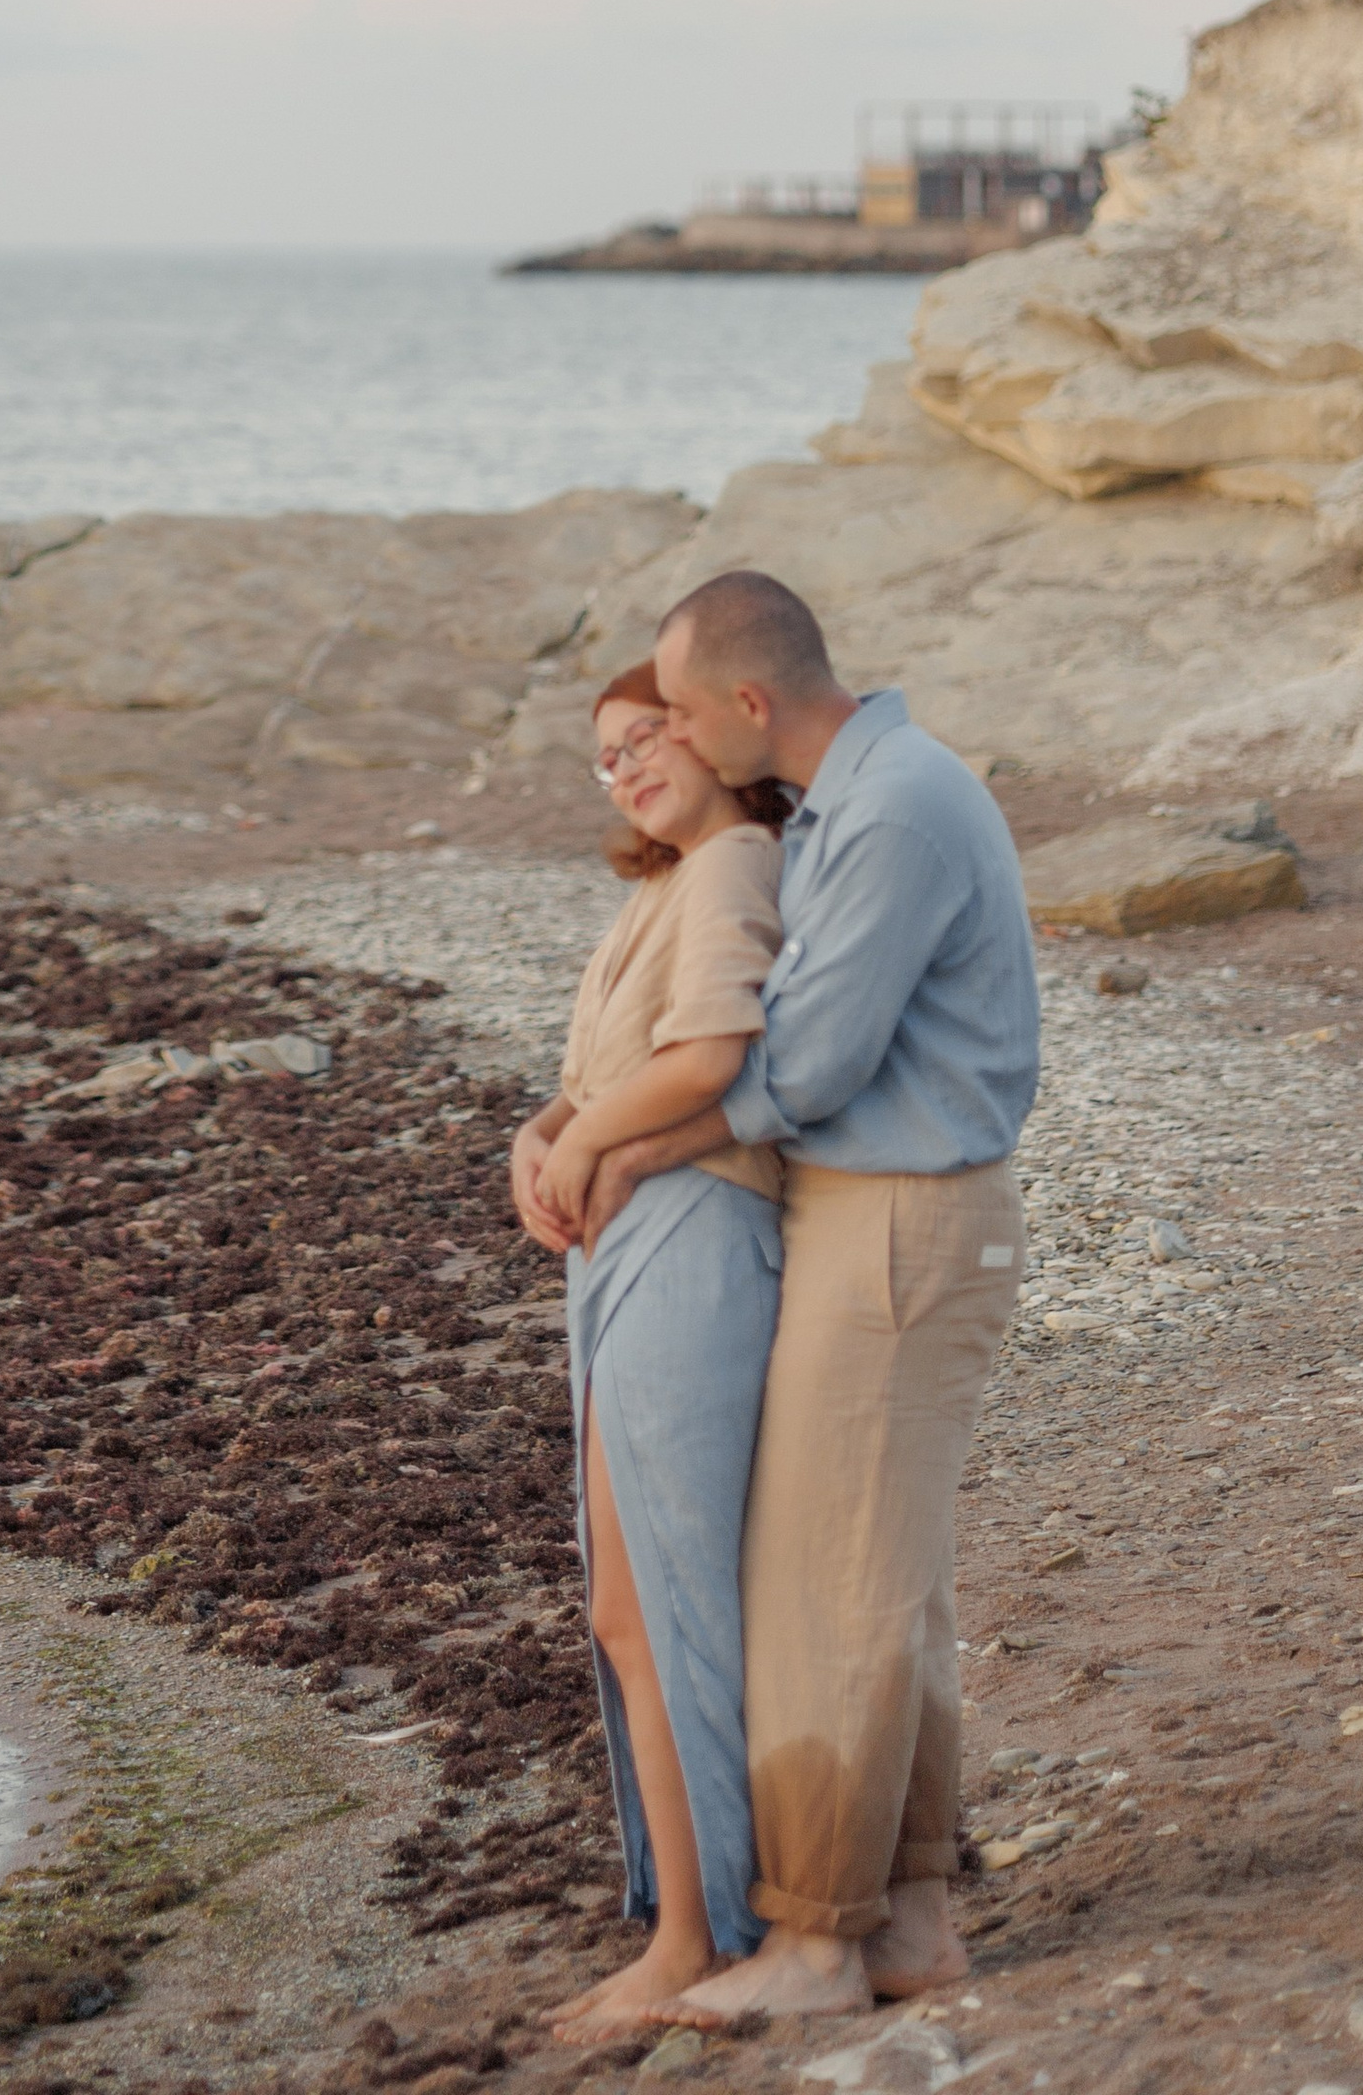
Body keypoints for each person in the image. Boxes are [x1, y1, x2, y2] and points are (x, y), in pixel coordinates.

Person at [574, 571, 1040, 2028]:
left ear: (749, 703)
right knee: (886, 1583)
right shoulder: (862, 800)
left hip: (899, 1219)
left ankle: (822, 1945)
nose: (684, 743)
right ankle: (911, 1922)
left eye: (688, 711)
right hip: (875, 1211)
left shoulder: (894, 807)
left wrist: (633, 1138)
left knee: (829, 1587)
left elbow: (812, 1064)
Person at [507, 664, 790, 2026]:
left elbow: (712, 1060)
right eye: (605, 757)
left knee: (669, 1601)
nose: (625, 769)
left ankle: (703, 1936)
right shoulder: (655, 891)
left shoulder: (737, 861)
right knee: (625, 1607)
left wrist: (596, 1139)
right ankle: (685, 1917)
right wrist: (537, 1141)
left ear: (712, 728)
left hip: (693, 1230)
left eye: (645, 738)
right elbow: (590, 1085)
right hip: (620, 1242)